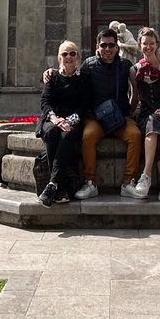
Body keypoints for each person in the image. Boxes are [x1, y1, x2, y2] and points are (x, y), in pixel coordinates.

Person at [76, 27, 141, 199]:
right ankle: (90, 182)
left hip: (120, 117)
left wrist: (131, 110)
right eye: (103, 45)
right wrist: (52, 72)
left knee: (135, 135)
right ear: (97, 46)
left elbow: (136, 90)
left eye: (111, 45)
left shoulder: (125, 65)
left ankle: (128, 182)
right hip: (96, 118)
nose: (107, 49)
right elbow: (73, 80)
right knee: (88, 136)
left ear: (117, 47)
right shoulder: (88, 65)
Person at [37, 41, 94, 205]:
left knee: (66, 135)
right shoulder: (52, 77)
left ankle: (53, 184)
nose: (68, 57)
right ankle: (59, 187)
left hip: (73, 120)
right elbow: (45, 102)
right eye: (64, 54)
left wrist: (68, 120)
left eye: (72, 53)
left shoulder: (84, 78)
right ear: (59, 58)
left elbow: (84, 106)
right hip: (52, 118)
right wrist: (55, 119)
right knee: (52, 132)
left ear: (78, 57)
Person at [130, 27, 160, 202]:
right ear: (139, 45)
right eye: (145, 43)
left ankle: (146, 175)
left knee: (157, 124)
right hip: (146, 116)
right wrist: (128, 114)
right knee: (158, 132)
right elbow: (135, 97)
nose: (148, 47)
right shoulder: (134, 69)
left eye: (152, 43)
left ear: (157, 45)